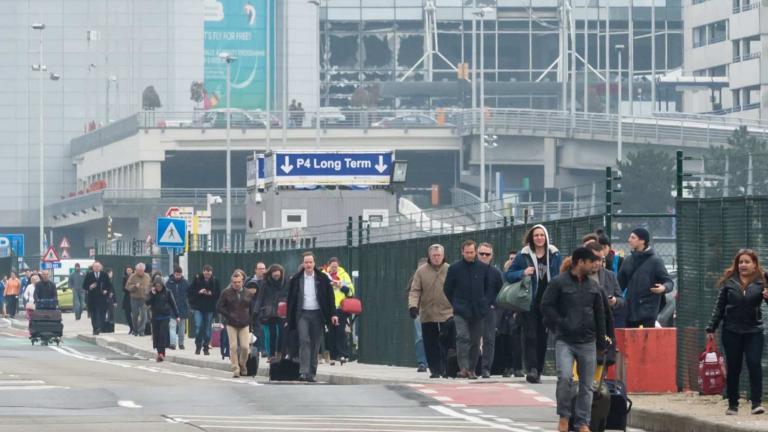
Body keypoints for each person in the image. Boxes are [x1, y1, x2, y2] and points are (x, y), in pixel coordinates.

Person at [541, 247, 608, 432]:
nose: (595, 265)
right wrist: (560, 323)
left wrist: (602, 343)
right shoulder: (558, 283)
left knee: (587, 386)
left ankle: (582, 423)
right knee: (564, 377)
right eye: (591, 261)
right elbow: (546, 306)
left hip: (588, 342)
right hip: (565, 340)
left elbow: (600, 315)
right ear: (580, 262)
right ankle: (564, 416)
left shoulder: (594, 286)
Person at [706, 249, 768, 415]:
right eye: (741, 262)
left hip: (754, 330)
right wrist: (711, 327)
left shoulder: (763, 280)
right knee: (734, 367)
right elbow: (719, 307)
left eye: (747, 262)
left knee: (754, 364)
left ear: (755, 264)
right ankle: (733, 404)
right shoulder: (729, 282)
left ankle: (756, 403)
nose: (743, 265)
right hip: (731, 330)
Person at [506, 224, 562, 384]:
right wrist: (523, 272)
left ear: (546, 237)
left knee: (542, 336)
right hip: (529, 300)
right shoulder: (523, 255)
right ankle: (532, 369)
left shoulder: (554, 253)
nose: (539, 238)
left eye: (541, 235)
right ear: (531, 237)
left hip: (548, 301)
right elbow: (508, 275)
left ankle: (539, 367)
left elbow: (559, 274)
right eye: (536, 235)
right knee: (530, 335)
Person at [287, 251, 339, 383]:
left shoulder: (322, 278)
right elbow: (291, 300)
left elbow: (330, 298)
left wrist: (333, 314)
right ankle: (303, 372)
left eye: (310, 262)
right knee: (304, 340)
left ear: (314, 263)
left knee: (315, 344)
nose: (308, 264)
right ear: (303, 264)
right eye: (306, 262)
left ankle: (311, 372)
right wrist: (289, 318)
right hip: (302, 314)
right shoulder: (296, 279)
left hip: (318, 314)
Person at [444, 240, 492, 380]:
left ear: (475, 252)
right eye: (467, 252)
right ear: (462, 252)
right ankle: (463, 368)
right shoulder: (454, 268)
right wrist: (455, 303)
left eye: (472, 252)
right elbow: (447, 288)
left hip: (478, 311)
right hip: (461, 310)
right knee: (462, 337)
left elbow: (489, 288)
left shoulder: (483, 268)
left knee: (476, 341)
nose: (470, 255)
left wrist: (485, 303)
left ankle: (471, 369)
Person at [409, 244, 453, 378]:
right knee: (430, 343)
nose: (436, 258)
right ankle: (435, 369)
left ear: (443, 256)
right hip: (428, 313)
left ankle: (446, 368)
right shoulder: (421, 271)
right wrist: (413, 306)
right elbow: (415, 290)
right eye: (434, 255)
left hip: (447, 312)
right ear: (429, 256)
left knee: (447, 341)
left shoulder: (450, 269)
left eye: (439, 255)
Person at [617, 227, 674, 328]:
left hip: (648, 313)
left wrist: (663, 288)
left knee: (646, 341)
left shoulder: (655, 261)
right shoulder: (628, 260)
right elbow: (618, 285)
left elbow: (669, 282)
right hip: (629, 310)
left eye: (633, 237)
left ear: (642, 241)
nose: (629, 240)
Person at [216, 269, 255, 377]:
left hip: (244, 323)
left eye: (238, 282)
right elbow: (219, 306)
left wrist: (251, 322)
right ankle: (235, 368)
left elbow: (252, 309)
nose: (236, 284)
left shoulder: (248, 293)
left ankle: (242, 364)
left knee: (245, 347)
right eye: (234, 282)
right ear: (231, 282)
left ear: (242, 281)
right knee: (233, 346)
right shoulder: (226, 292)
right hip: (231, 323)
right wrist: (228, 314)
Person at [476, 243, 503, 379]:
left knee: (489, 340)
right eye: (482, 254)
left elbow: (501, 292)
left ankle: (486, 369)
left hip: (489, 310)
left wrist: (494, 306)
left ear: (492, 256)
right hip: (472, 310)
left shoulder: (496, 273)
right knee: (470, 339)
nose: (484, 256)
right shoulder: (469, 270)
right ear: (477, 254)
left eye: (487, 254)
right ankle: (470, 368)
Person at [324, 257, 354, 364]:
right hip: (328, 308)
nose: (334, 269)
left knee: (341, 331)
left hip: (341, 308)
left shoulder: (344, 275)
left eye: (336, 267)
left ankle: (342, 354)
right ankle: (332, 355)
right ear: (328, 266)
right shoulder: (324, 275)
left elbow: (350, 292)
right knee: (330, 332)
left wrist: (341, 286)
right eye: (332, 267)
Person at [254, 264, 287, 362]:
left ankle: (280, 353)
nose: (277, 277)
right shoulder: (265, 283)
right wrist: (256, 312)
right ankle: (272, 354)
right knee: (272, 333)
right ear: (271, 274)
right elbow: (260, 298)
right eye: (274, 275)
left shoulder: (285, 282)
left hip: (282, 311)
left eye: (278, 275)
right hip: (270, 312)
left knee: (281, 333)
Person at [500, 250, 524, 378]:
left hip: (516, 312)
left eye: (515, 259)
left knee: (517, 341)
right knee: (505, 340)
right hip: (503, 313)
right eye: (510, 258)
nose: (512, 261)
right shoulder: (503, 276)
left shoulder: (522, 276)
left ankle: (518, 367)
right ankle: (507, 367)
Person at [188, 264, 221, 355]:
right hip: (198, 307)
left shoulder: (214, 281)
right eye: (206, 274)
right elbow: (190, 291)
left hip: (209, 308)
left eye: (209, 275)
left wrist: (210, 293)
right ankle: (198, 345)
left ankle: (206, 347)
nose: (207, 276)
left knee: (207, 329)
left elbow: (218, 294)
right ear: (203, 272)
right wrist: (199, 292)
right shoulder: (197, 279)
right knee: (199, 326)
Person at [146, 277, 180, 362]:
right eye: (157, 286)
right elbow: (147, 302)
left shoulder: (167, 292)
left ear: (162, 285)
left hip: (165, 316)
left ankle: (162, 353)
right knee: (156, 336)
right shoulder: (152, 292)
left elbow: (173, 304)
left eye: (160, 286)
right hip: (155, 317)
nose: (158, 287)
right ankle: (159, 353)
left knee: (162, 334)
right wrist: (153, 294)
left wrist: (177, 316)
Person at [407, 258, 429, 373]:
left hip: (435, 311)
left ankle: (435, 362)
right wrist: (413, 307)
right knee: (420, 337)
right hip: (420, 311)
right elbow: (411, 293)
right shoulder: (414, 280)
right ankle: (422, 363)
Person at [83, 262, 113, 335]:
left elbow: (109, 285)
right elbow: (84, 286)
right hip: (92, 298)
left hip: (102, 297)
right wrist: (90, 287)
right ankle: (95, 328)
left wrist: (106, 290)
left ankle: (99, 327)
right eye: (95, 267)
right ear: (93, 268)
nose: (96, 268)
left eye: (98, 267)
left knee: (102, 313)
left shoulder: (104, 275)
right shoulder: (89, 275)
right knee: (94, 314)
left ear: (100, 267)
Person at [166, 266, 190, 350]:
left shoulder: (186, 283)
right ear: (174, 273)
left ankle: (181, 343)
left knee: (182, 327)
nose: (178, 276)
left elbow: (189, 295)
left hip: (182, 307)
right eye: (177, 274)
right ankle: (173, 344)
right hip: (172, 308)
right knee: (172, 326)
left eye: (179, 274)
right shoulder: (169, 282)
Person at [125, 263, 152, 336]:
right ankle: (135, 329)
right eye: (138, 270)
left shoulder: (147, 276)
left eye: (142, 270)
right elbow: (127, 287)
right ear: (136, 270)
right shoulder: (132, 276)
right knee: (135, 314)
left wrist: (150, 292)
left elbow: (150, 286)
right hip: (135, 298)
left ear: (144, 270)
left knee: (144, 314)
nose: (140, 272)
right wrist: (134, 286)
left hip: (144, 298)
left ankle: (141, 330)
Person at [121, 266, 135, 335]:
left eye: (130, 270)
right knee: (127, 314)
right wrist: (128, 289)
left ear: (132, 270)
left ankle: (135, 328)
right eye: (127, 270)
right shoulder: (124, 278)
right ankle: (131, 327)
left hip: (134, 297)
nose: (129, 271)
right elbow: (123, 288)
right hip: (127, 298)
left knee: (135, 313)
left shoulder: (135, 278)